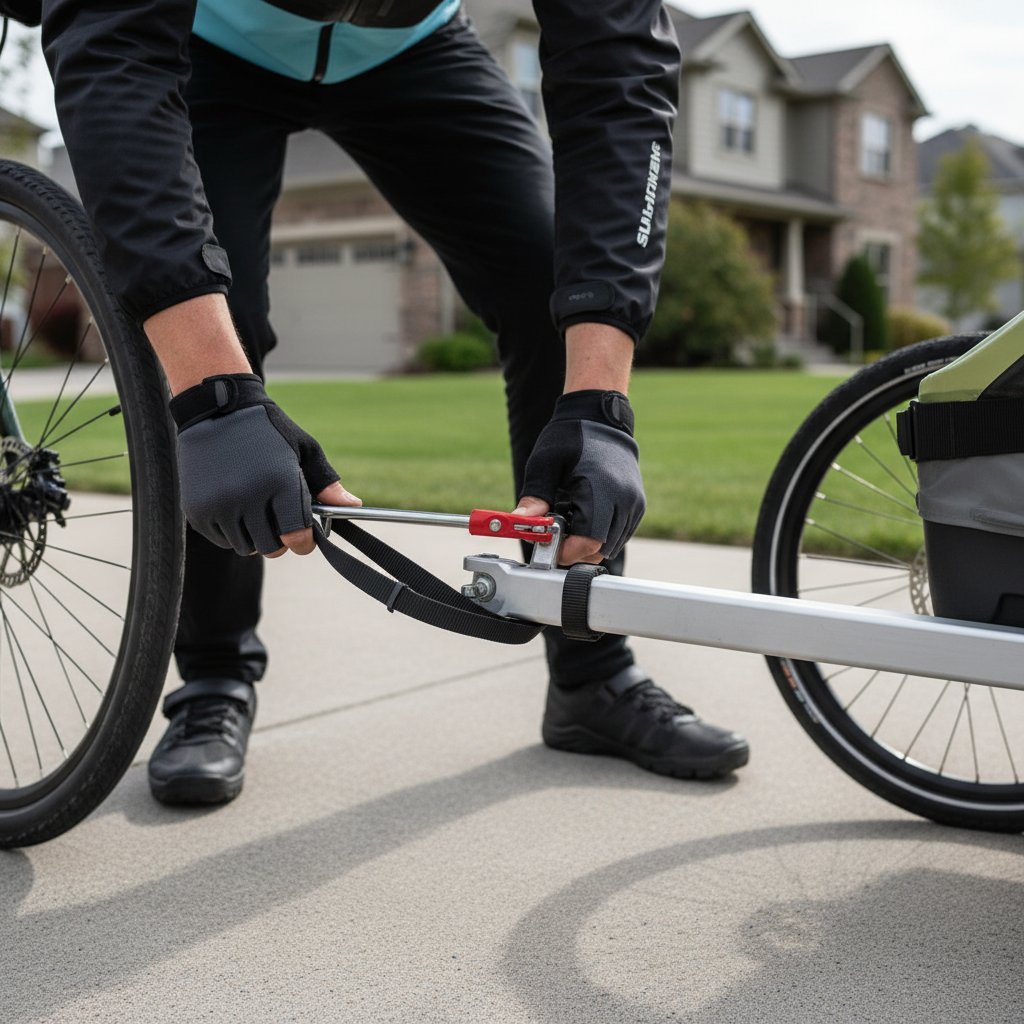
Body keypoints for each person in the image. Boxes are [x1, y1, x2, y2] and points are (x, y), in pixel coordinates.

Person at [38, 0, 750, 805]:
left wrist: (601, 403)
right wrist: (214, 399)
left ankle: (591, 671)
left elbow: (619, 80)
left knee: (550, 280)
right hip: (209, 35)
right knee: (220, 334)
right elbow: (111, 53)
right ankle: (213, 682)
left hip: (411, 46)